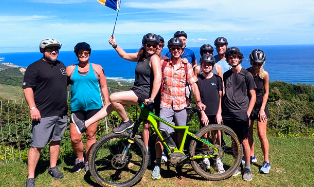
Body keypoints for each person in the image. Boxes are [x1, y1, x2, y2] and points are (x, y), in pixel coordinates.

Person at [71, 33, 162, 136]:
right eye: (149, 45)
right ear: (144, 44)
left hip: (144, 93)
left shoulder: (154, 58)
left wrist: (152, 98)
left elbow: (158, 79)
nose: (151, 47)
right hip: (137, 90)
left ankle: (127, 121)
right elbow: (124, 55)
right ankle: (85, 124)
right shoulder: (141, 57)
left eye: (154, 45)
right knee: (111, 105)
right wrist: (114, 45)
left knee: (113, 97)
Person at [151, 36, 205, 179]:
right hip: (166, 104)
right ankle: (157, 163)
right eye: (173, 48)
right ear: (170, 50)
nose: (175, 51)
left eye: (178, 49)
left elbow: (193, 84)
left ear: (182, 50)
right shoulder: (163, 64)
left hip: (182, 105)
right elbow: (153, 58)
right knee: (161, 133)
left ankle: (179, 158)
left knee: (180, 133)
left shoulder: (187, 66)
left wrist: (198, 101)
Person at [22, 38, 69, 187]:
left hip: (61, 112)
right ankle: (30, 177)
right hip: (43, 113)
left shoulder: (61, 66)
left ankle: (53, 167)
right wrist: (33, 108)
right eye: (51, 49)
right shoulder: (34, 67)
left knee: (56, 140)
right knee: (37, 145)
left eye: (56, 49)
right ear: (43, 51)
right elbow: (28, 88)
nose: (54, 51)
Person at [66, 42, 109, 174]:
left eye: (86, 53)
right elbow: (61, 86)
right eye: (80, 53)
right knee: (75, 138)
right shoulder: (70, 69)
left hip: (94, 107)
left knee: (90, 135)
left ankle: (88, 162)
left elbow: (103, 86)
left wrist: (107, 103)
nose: (83, 55)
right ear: (77, 54)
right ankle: (79, 159)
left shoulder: (97, 68)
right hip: (76, 108)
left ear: (89, 54)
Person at [221, 46, 256, 181]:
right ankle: (237, 165)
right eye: (231, 57)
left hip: (242, 112)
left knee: (244, 141)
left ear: (239, 58)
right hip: (228, 112)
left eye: (236, 57)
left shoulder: (247, 75)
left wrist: (247, 113)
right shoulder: (226, 75)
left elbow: (253, 96)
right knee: (234, 141)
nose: (233, 59)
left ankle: (247, 167)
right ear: (228, 59)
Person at [196, 54, 224, 173]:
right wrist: (202, 113)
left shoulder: (217, 79)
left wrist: (219, 112)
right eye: (204, 64)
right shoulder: (198, 80)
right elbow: (198, 98)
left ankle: (218, 159)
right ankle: (206, 157)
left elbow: (220, 97)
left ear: (212, 66)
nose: (206, 66)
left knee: (216, 135)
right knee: (205, 136)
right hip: (204, 113)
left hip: (215, 112)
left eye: (209, 65)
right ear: (201, 65)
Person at [247, 49, 271, 174]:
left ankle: (266, 161)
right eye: (254, 63)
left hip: (261, 104)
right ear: (251, 62)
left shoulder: (264, 75)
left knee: (262, 134)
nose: (256, 66)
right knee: (249, 133)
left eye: (259, 64)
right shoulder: (246, 73)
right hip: (249, 104)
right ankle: (251, 155)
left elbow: (266, 92)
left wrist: (262, 109)